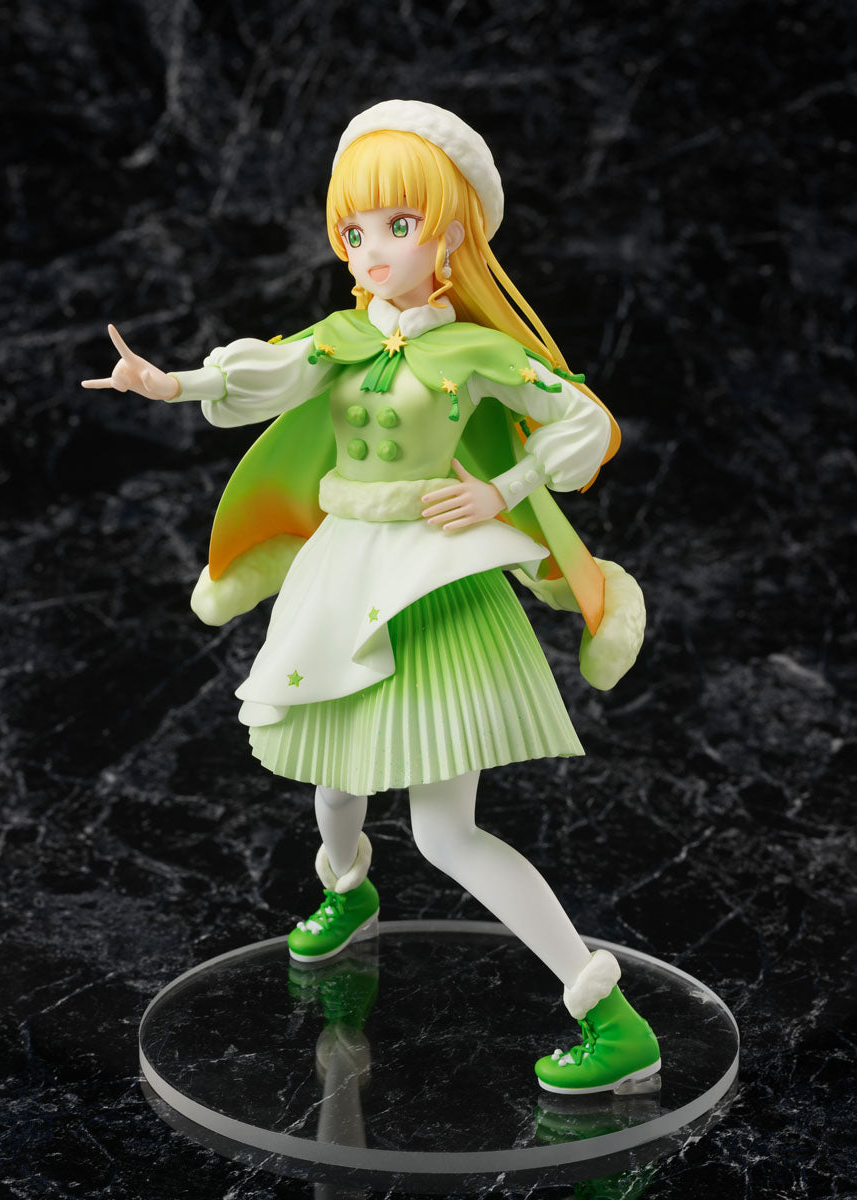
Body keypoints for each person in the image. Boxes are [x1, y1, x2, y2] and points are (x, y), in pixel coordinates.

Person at [83, 99, 659, 1094]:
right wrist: (164, 384)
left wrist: (504, 490)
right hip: (344, 575)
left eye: (399, 224)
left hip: (436, 590)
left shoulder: (474, 352)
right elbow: (265, 376)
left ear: (453, 237)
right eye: (354, 230)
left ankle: (609, 1017)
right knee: (338, 774)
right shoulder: (341, 340)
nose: (372, 249)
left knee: (445, 832)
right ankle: (347, 890)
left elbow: (583, 422)